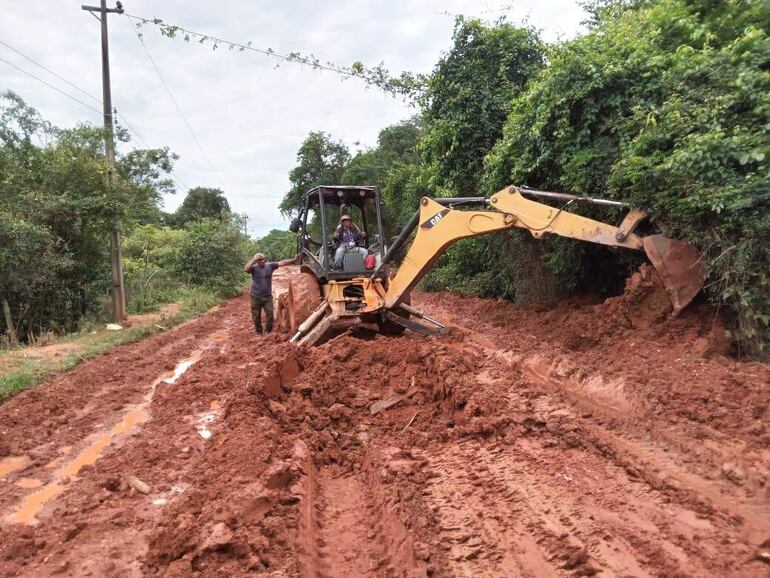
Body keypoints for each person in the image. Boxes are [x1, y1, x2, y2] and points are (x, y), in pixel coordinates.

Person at [244, 252, 297, 335]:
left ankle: (268, 331)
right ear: (257, 261)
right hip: (256, 296)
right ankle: (259, 332)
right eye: (260, 259)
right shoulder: (253, 268)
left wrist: (294, 260)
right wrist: (253, 260)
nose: (263, 261)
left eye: (263, 259)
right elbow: (246, 269)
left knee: (270, 314)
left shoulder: (270, 266)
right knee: (256, 316)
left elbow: (282, 262)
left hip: (267, 297)